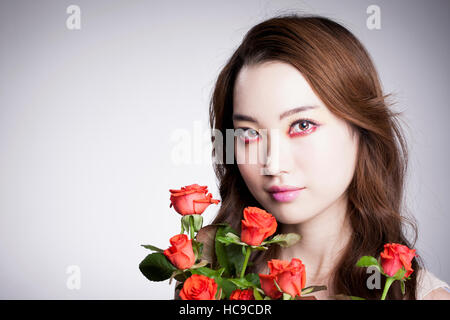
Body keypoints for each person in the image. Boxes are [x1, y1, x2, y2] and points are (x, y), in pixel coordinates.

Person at [206, 14, 450, 300]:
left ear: (360, 128)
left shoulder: (422, 296)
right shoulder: (207, 276)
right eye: (249, 134)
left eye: (302, 125)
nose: (273, 164)